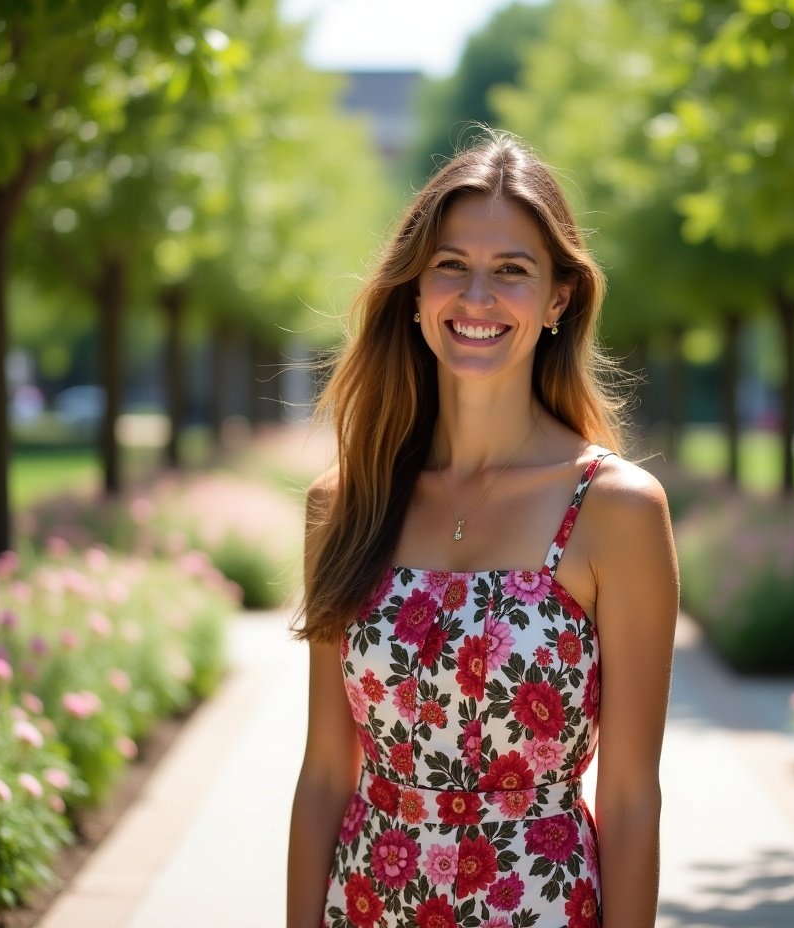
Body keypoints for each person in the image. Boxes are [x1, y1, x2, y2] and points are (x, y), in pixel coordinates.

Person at [287, 130, 678, 928]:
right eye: (451, 266)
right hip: (367, 903)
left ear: (559, 299)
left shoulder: (615, 509)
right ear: (416, 289)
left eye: (512, 271)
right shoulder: (345, 502)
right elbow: (327, 772)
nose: (476, 298)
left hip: (540, 905)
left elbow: (633, 798)